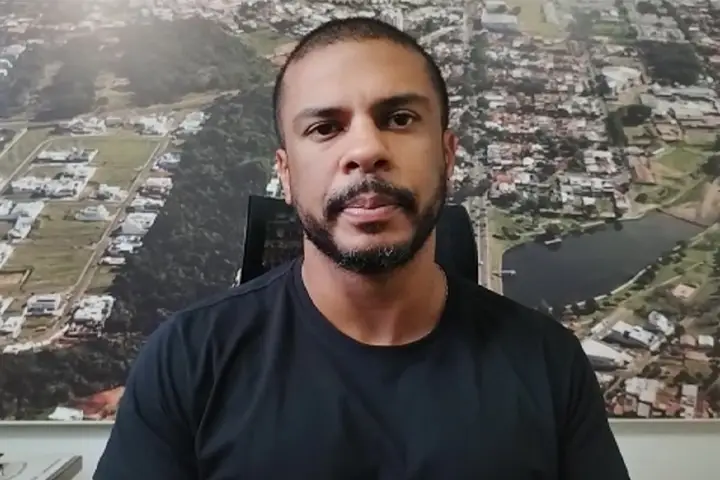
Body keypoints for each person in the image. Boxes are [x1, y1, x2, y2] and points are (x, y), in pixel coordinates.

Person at [95, 17, 631, 480]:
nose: (366, 149)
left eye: (399, 119)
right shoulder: (188, 360)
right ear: (285, 174)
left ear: (447, 157)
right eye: (325, 127)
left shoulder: (547, 363)